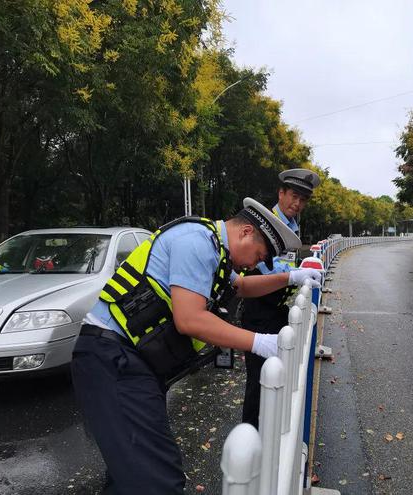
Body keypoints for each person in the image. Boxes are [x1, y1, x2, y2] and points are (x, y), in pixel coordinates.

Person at [71, 197, 322, 495]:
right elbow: (189, 320)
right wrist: (260, 342)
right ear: (244, 232)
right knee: (156, 480)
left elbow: (241, 286)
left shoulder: (214, 248)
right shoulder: (196, 242)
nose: (254, 265)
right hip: (113, 359)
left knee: (131, 473)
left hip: (131, 362)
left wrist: (290, 277)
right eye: (258, 255)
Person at [241, 168, 321, 429]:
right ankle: (251, 438)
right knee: (257, 380)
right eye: (294, 196)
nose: (297, 204)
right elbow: (267, 268)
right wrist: (296, 275)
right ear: (281, 193)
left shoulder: (294, 226)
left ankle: (274, 430)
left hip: (277, 307)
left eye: (303, 200)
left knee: (279, 372)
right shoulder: (267, 223)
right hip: (257, 307)